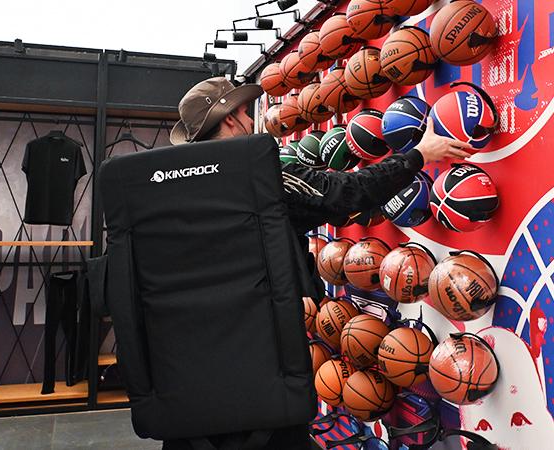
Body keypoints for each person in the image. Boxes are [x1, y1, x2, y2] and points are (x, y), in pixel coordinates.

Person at [164, 77, 472, 450]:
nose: (250, 120)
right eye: (245, 112)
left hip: (195, 366)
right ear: (230, 119)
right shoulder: (261, 176)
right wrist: (418, 155)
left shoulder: (175, 195)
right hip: (263, 355)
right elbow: (345, 194)